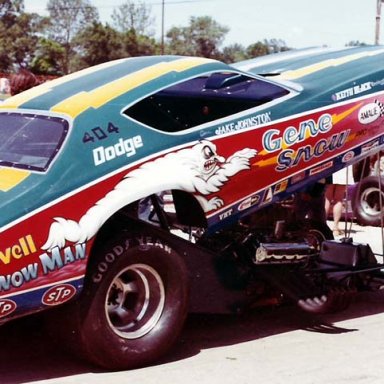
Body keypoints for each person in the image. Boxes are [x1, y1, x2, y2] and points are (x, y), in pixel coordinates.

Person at [325, 166, 354, 236]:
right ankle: (335, 228)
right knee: (338, 199)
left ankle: (322, 225)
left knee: (327, 198)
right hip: (343, 168)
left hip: (331, 167)